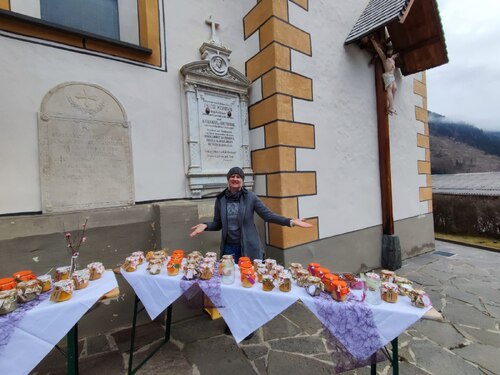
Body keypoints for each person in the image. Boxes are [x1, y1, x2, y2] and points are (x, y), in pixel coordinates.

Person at [190, 166, 312, 263]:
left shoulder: (250, 197)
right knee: (229, 277)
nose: (235, 179)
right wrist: (206, 225)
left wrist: (290, 221)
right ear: (228, 180)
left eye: (238, 177)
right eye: (232, 176)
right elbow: (218, 224)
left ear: (242, 181)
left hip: (248, 246)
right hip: (228, 248)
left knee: (248, 280)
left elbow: (268, 215)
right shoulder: (221, 199)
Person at [370, 36, 399, 115]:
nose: (390, 52)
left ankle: (391, 105)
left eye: (391, 50)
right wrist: (373, 41)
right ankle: (392, 107)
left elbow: (396, 55)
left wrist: (398, 54)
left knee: (395, 88)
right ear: (387, 51)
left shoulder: (392, 59)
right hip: (387, 75)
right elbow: (378, 49)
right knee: (389, 88)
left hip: (392, 76)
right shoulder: (384, 58)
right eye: (389, 50)